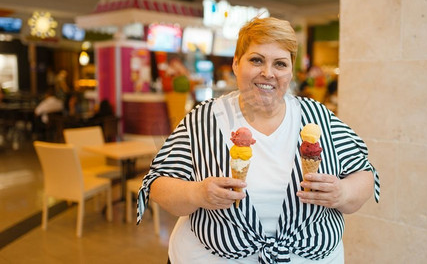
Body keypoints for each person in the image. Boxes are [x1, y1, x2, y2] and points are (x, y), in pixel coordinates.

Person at [137, 17, 380, 263]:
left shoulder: (318, 118)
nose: (268, 73)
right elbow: (158, 183)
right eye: (256, 60)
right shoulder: (205, 118)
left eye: (280, 64)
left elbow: (365, 173)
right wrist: (197, 193)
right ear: (235, 64)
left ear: (290, 72)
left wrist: (344, 192)